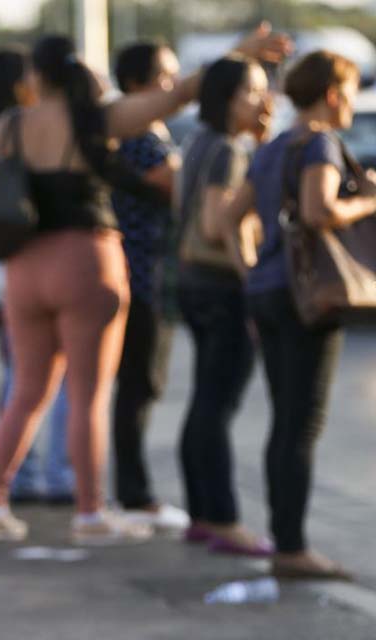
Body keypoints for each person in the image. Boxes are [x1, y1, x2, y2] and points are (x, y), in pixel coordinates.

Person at [0, 27, 289, 545]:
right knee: (88, 395)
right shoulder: (97, 119)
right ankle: (90, 513)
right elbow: (180, 94)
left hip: (25, 265)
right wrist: (240, 55)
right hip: (86, 262)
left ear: (36, 76)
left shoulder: (12, 123)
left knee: (26, 391)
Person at [223, 50, 366, 579]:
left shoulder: (274, 146)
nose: (351, 103)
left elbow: (226, 220)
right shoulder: (319, 143)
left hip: (269, 291)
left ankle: (285, 539)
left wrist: (250, 271)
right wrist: (369, 201)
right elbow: (318, 210)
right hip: (307, 296)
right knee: (302, 422)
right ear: (331, 94)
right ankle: (292, 547)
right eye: (349, 92)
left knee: (285, 420)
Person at [176, 55, 276, 556]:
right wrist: (252, 282)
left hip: (192, 283)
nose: (262, 100)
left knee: (205, 401)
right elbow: (218, 226)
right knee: (218, 404)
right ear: (226, 98)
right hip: (221, 286)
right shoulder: (227, 151)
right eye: (252, 91)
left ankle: (201, 515)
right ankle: (223, 519)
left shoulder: (199, 142)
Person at [0, 46, 75, 505]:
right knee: (53, 371)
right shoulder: (41, 122)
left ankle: (20, 472)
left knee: (20, 367)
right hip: (41, 258)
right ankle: (57, 473)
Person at [109, 42, 188, 533]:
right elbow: (178, 189)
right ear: (138, 83)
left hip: (147, 274)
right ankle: (133, 494)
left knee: (140, 386)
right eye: (166, 77)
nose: (174, 87)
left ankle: (130, 490)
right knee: (139, 386)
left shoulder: (145, 133)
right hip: (141, 277)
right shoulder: (138, 137)